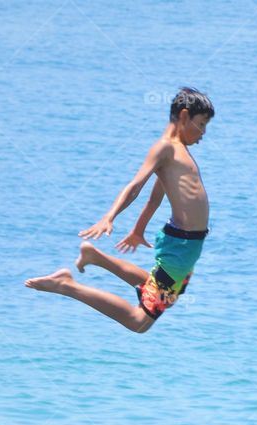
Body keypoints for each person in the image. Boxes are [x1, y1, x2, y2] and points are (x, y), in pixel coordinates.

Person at [25, 87, 214, 332]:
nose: (203, 133)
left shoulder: (180, 152)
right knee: (139, 322)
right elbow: (135, 186)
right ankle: (67, 285)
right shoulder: (165, 147)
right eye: (201, 124)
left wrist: (138, 230)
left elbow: (156, 198)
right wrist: (109, 217)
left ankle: (95, 257)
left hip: (186, 245)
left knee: (156, 287)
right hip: (182, 247)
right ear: (185, 116)